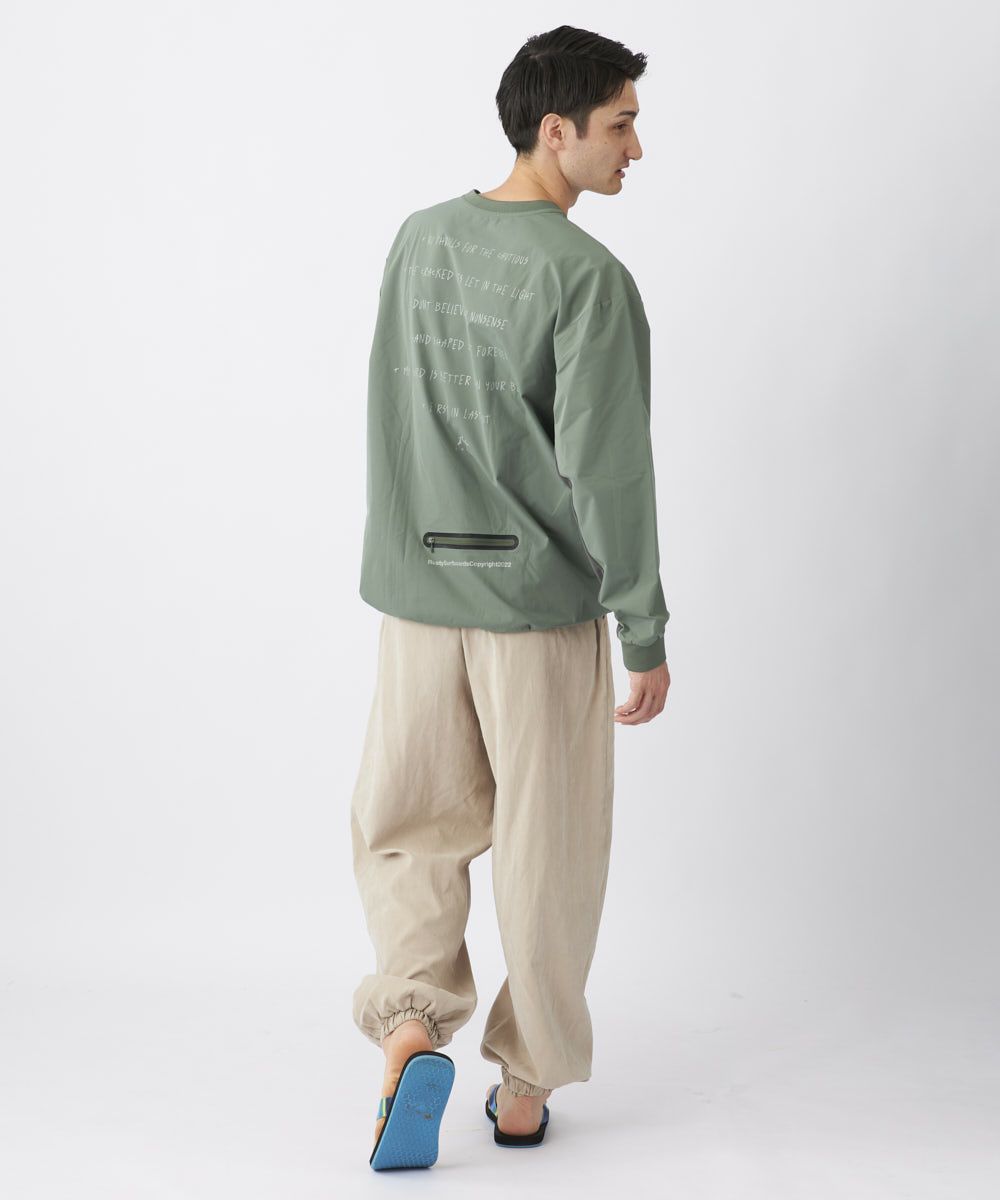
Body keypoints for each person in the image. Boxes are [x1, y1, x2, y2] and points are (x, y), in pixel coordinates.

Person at [350, 23, 672, 1165]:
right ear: (556, 129)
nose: (636, 149)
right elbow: (608, 471)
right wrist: (644, 627)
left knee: (410, 828)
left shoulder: (419, 240)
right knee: (549, 847)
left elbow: (394, 414)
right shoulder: (588, 279)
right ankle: (525, 1086)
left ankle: (409, 1026)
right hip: (533, 608)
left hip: (416, 597)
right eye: (621, 124)